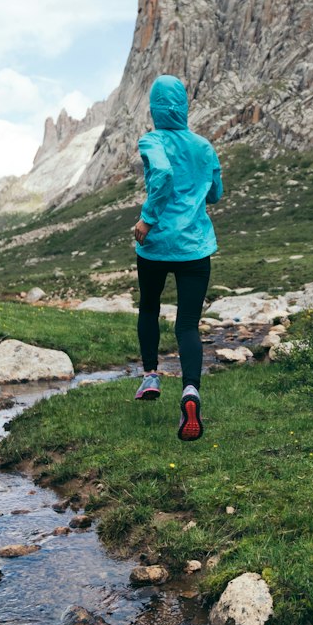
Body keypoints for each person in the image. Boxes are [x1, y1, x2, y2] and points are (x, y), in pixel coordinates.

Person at [131, 73, 222, 441]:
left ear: (154, 109)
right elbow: (215, 193)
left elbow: (164, 173)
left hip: (155, 246)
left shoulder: (152, 139)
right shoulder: (204, 146)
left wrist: (148, 218)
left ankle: (151, 376)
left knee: (149, 308)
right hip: (195, 247)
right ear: (184, 107)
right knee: (187, 325)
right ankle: (190, 391)